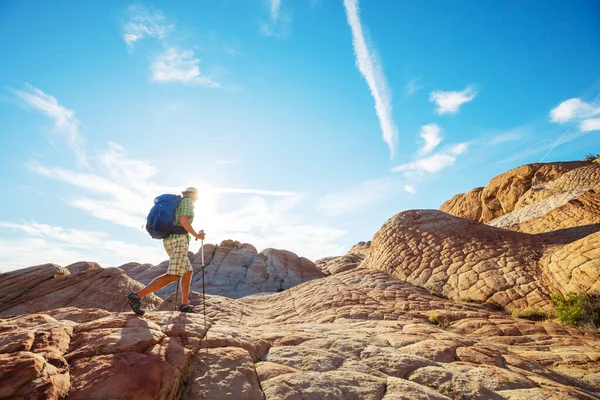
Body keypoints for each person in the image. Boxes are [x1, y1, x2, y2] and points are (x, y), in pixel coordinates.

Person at [127, 187, 205, 315]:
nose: (197, 199)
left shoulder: (179, 202)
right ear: (193, 195)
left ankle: (184, 305)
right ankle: (136, 296)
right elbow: (183, 220)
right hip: (179, 240)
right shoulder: (188, 202)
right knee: (174, 275)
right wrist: (197, 235)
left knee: (187, 272)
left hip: (170, 239)